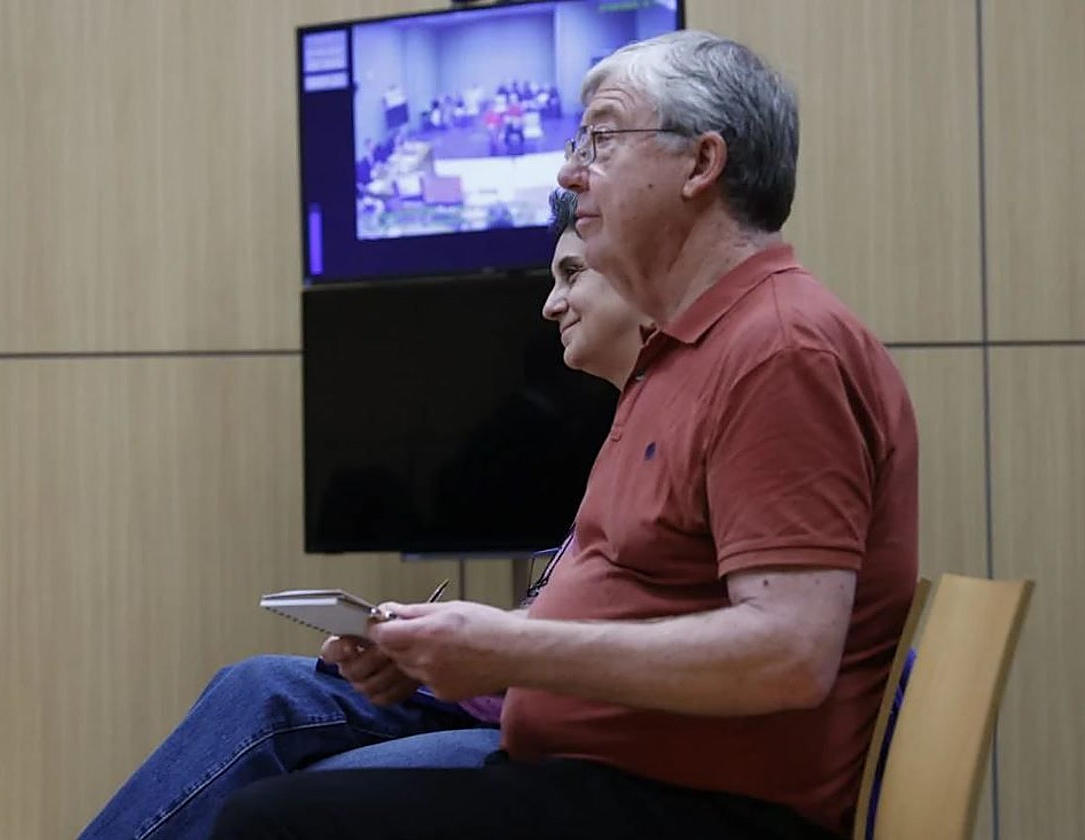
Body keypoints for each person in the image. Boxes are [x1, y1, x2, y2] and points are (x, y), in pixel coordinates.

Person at [211, 29, 918, 840]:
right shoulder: (682, 353)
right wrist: (449, 647)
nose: (569, 172)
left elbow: (788, 654)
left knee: (272, 824)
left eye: (602, 140)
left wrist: (510, 650)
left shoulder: (782, 349)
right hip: (611, 781)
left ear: (701, 163)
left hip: (700, 810)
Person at [78, 189, 648, 840]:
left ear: (640, 266)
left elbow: (642, 635)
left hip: (567, 727)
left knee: (276, 782)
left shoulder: (695, 409)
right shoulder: (628, 423)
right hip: (518, 694)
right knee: (256, 686)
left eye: (571, 274)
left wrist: (478, 646)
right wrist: (427, 648)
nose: (549, 304)